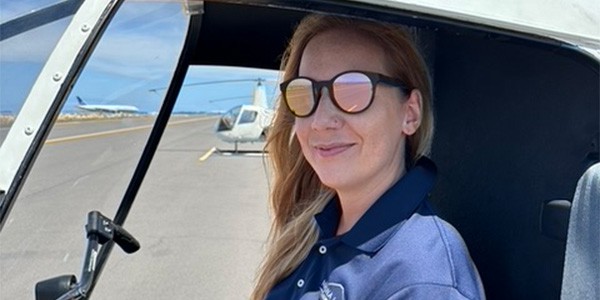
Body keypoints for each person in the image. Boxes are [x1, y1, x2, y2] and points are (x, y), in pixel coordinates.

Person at [252, 14, 485, 300]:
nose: (320, 120)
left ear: (409, 114)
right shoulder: (311, 229)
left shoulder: (424, 280)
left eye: (353, 91)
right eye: (304, 94)